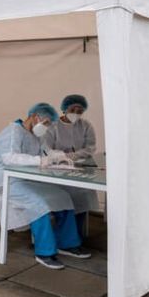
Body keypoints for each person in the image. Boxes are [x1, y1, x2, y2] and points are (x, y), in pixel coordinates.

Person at [0, 102, 91, 269]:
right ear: (35, 117)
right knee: (38, 203)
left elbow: (45, 152)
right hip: (7, 180)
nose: (47, 127)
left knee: (63, 197)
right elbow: (10, 158)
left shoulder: (35, 134)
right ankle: (44, 252)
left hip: (27, 178)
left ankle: (67, 243)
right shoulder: (12, 132)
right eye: (46, 123)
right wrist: (40, 161)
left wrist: (59, 156)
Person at [45, 94, 100, 236]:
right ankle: (65, 233)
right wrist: (61, 157)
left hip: (80, 167)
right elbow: (46, 149)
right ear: (64, 108)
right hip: (56, 168)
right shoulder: (53, 126)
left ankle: (76, 233)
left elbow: (90, 148)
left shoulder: (86, 125)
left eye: (79, 111)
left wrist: (72, 156)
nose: (75, 114)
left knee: (85, 192)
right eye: (72, 109)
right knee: (65, 194)